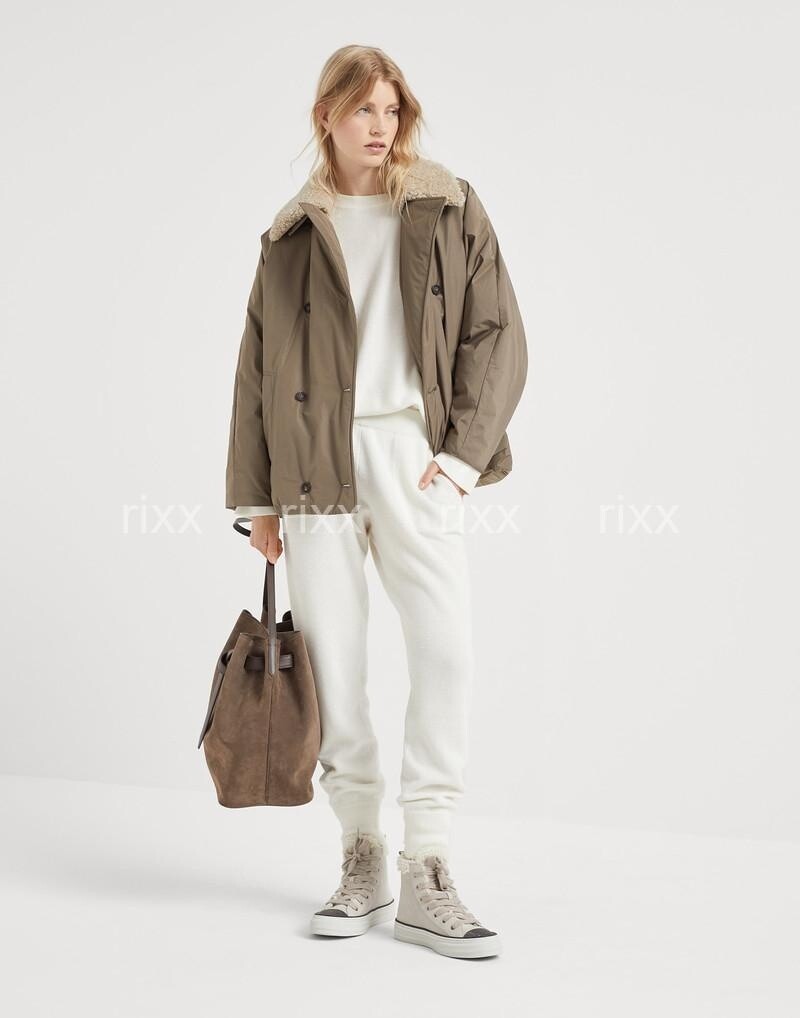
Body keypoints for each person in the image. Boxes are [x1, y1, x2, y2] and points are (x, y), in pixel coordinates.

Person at [225, 44, 527, 959]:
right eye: (364, 109)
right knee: (335, 665)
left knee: (446, 651)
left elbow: (497, 333)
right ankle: (362, 853)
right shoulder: (291, 234)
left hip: (412, 455)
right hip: (311, 469)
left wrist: (461, 458)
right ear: (327, 115)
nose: (382, 126)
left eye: (393, 109)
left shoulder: (447, 205)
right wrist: (257, 498)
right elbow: (255, 371)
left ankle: (428, 860)